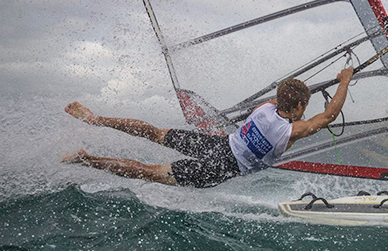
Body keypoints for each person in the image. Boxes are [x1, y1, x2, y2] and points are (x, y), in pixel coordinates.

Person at [62, 67, 354, 187]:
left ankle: (95, 119)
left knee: (155, 132)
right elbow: (328, 116)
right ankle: (85, 160)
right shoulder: (292, 131)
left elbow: (287, 100)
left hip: (218, 144)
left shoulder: (263, 108)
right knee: (150, 172)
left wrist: (300, 93)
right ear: (301, 107)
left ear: (278, 98)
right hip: (224, 167)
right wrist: (344, 80)